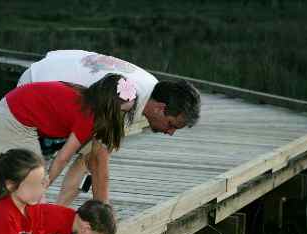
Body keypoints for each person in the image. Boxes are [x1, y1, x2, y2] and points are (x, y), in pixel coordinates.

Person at [0, 73, 135, 233]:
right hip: (13, 119)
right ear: (108, 105)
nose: (123, 116)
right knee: (30, 184)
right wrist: (46, 180)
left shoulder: (89, 103)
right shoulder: (88, 116)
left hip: (13, 111)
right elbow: (63, 156)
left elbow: (90, 159)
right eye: (122, 112)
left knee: (0, 163)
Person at [18, 49, 202, 205]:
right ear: (160, 108)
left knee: (87, 155)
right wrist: (105, 214)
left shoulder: (150, 87)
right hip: (35, 85)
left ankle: (58, 217)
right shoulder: (126, 99)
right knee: (28, 169)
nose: (170, 133)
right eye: (172, 125)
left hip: (54, 74)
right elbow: (100, 159)